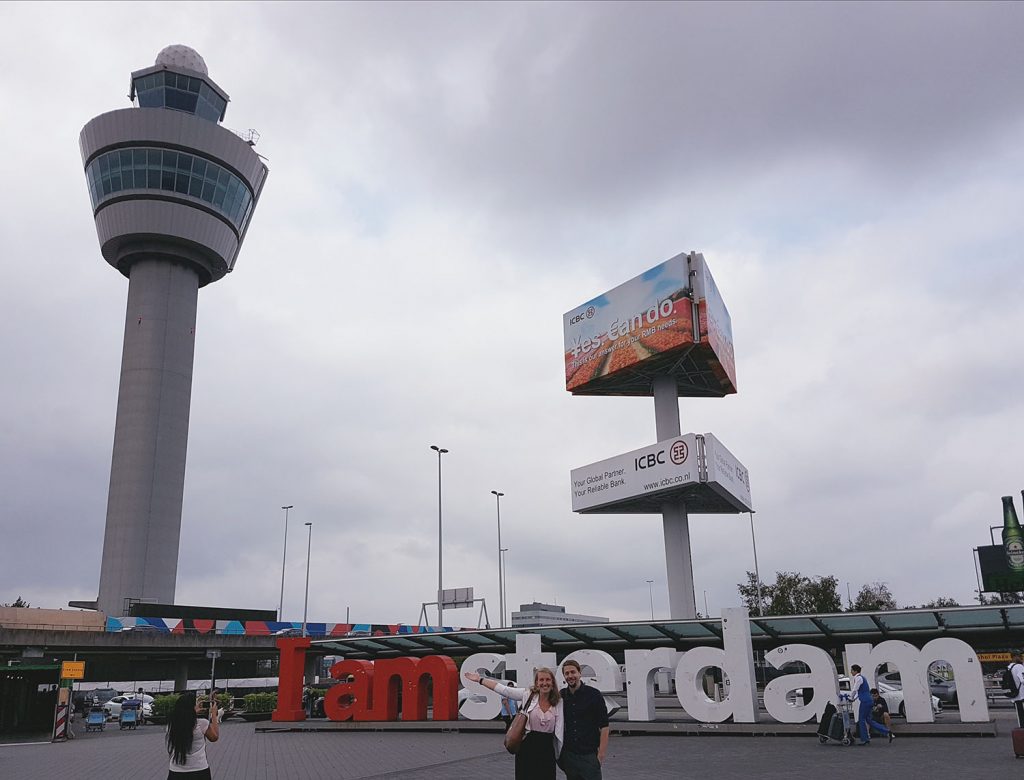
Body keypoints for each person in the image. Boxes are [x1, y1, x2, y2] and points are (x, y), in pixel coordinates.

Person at [463, 667, 562, 780]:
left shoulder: (558, 702)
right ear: (537, 683)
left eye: (548, 680)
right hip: (527, 746)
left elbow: (560, 729)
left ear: (553, 682)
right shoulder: (528, 695)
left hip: (547, 748)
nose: (545, 683)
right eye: (541, 680)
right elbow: (504, 690)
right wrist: (480, 680)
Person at [558, 659, 609, 779]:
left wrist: (600, 755)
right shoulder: (561, 696)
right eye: (567, 673)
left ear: (579, 673)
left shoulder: (594, 695)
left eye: (573, 672)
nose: (570, 676)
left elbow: (604, 727)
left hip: (589, 756)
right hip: (569, 756)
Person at [166, 691, 220, 779]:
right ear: (192, 708)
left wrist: (193, 712)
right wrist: (214, 714)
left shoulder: (171, 725)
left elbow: (185, 721)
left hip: (176, 771)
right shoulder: (202, 724)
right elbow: (214, 737)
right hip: (199, 770)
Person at [849, 665, 892, 746]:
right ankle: (887, 731)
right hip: (869, 700)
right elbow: (861, 691)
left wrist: (851, 698)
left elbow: (855, 689)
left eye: (852, 670)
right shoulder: (863, 678)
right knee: (869, 720)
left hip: (865, 702)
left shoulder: (858, 678)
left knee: (861, 720)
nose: (851, 672)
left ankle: (865, 739)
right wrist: (854, 698)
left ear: (855, 671)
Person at [1009, 651, 1024, 727]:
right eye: (1019, 656)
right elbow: (1023, 680)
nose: (1021, 657)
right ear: (1014, 657)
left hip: (1015, 697)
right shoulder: (1019, 667)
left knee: (1021, 720)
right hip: (1022, 697)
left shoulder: (1009, 667)